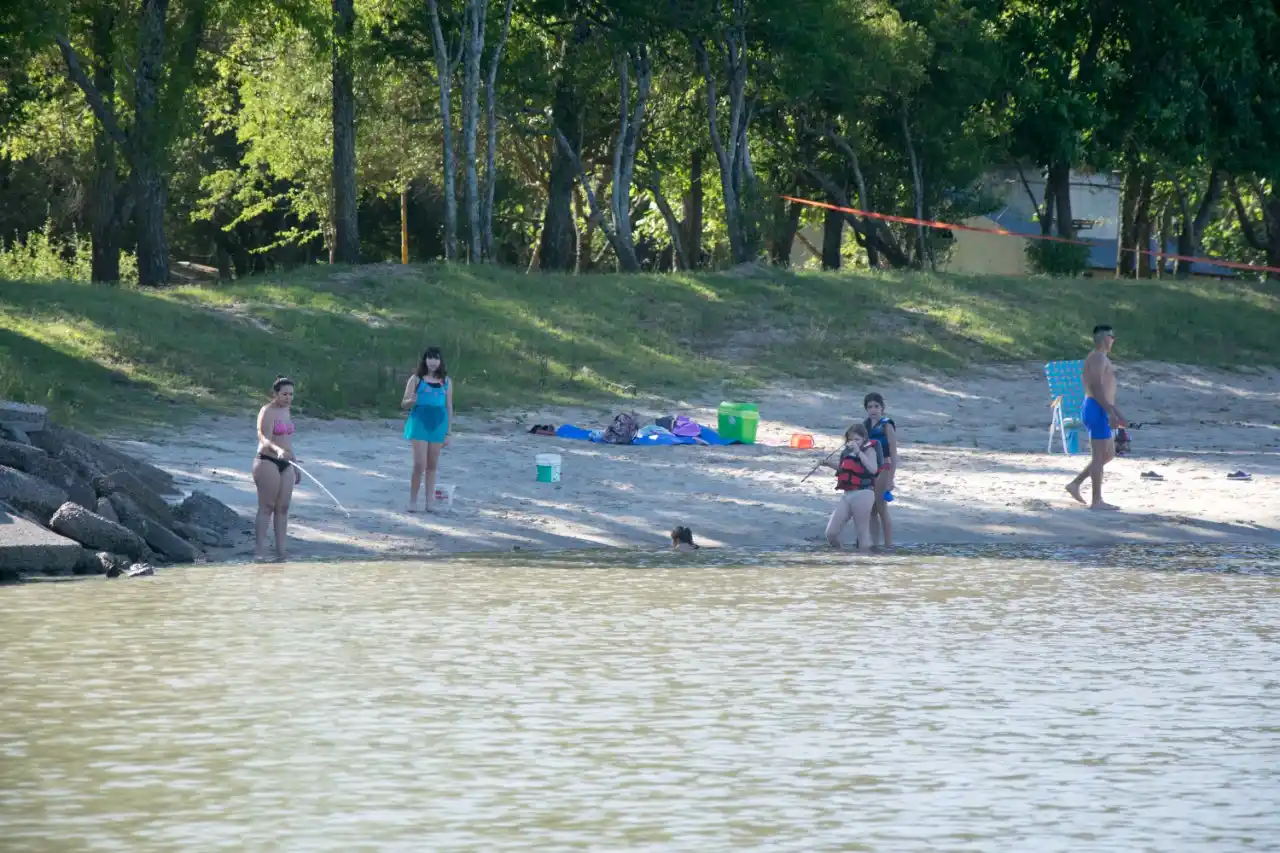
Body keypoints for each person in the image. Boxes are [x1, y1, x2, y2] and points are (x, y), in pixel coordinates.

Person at [1066, 324, 1129, 510]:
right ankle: (1097, 500)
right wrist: (1110, 411)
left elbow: (1105, 389)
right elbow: (1095, 387)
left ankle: (1075, 484)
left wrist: (1115, 411)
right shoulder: (1098, 357)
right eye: (1112, 336)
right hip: (1096, 408)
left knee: (1108, 455)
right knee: (1098, 456)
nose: (1113, 340)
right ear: (1104, 338)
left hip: (1101, 407)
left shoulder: (1101, 358)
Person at [253, 375, 299, 562]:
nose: (288, 398)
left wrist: (296, 464)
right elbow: (263, 438)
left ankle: (281, 551)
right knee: (267, 506)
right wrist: (278, 450)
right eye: (284, 394)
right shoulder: (268, 411)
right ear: (275, 394)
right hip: (267, 461)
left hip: (286, 463)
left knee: (283, 507)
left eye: (291, 394)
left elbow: (288, 439)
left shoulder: (287, 410)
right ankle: (260, 550)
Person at [401, 346, 453, 512]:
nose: (433, 362)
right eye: (430, 358)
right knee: (419, 464)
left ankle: (429, 503)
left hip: (439, 424)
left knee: (432, 464)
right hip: (419, 422)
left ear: (440, 361)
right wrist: (411, 401)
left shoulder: (446, 381)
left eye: (436, 358)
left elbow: (449, 406)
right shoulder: (416, 379)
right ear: (425, 360)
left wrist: (448, 432)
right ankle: (413, 500)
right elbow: (404, 403)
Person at [820, 422, 882, 552]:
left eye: (857, 439)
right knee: (831, 533)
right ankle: (842, 559)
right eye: (850, 439)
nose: (853, 442)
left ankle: (864, 566)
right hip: (847, 494)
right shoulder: (846, 452)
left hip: (864, 493)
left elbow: (873, 469)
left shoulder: (869, 450)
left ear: (864, 439)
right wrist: (829, 464)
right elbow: (844, 470)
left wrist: (859, 452)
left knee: (862, 535)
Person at [863, 392, 898, 549]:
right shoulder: (865, 426)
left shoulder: (887, 425)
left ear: (882, 408)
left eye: (876, 406)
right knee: (871, 509)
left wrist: (891, 478)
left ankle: (888, 545)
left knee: (881, 507)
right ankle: (875, 545)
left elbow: (894, 453)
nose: (873, 409)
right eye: (870, 406)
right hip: (870, 469)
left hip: (884, 467)